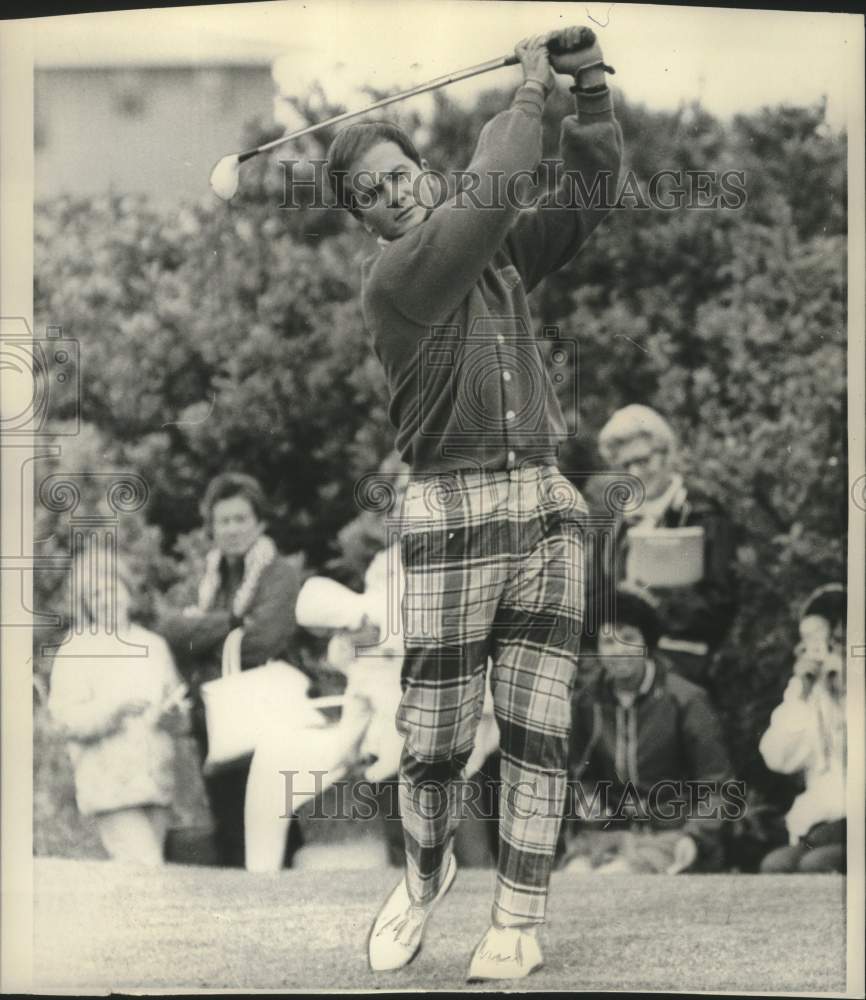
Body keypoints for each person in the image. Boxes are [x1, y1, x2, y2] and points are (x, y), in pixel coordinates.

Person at [326, 26, 622, 980]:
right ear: (364, 222)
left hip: (543, 502)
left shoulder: (491, 258)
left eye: (399, 172)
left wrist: (590, 89)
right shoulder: (399, 281)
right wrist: (530, 92)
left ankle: (519, 921)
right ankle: (422, 876)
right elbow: (498, 180)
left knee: (539, 728)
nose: (393, 192)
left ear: (420, 167)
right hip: (449, 513)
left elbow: (584, 195)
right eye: (371, 193)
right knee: (436, 741)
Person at [158, 472, 304, 867]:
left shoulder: (279, 573)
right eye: (224, 521)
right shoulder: (208, 576)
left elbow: (263, 641)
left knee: (270, 814)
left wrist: (206, 633)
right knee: (226, 813)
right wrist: (233, 619)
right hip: (216, 716)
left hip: (265, 713)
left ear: (259, 522)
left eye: (241, 518)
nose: (233, 529)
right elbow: (172, 630)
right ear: (212, 527)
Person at [562, 585, 733, 874]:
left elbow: (719, 787)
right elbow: (580, 774)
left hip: (672, 834)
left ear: (647, 643)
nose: (618, 651)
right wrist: (588, 803)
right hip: (611, 834)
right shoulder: (586, 702)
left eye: (628, 639)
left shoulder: (686, 700)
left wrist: (696, 836)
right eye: (608, 642)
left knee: (615, 876)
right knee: (575, 875)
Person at [49, 548, 189, 865]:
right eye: (94, 595)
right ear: (86, 604)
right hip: (109, 784)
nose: (105, 600)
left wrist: (174, 715)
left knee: (140, 876)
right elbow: (65, 719)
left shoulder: (154, 645)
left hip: (156, 781)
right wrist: (115, 710)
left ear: (127, 590)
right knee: (146, 865)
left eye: (111, 588)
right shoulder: (77, 649)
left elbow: (176, 703)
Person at [591, 404, 737, 686]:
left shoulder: (702, 512)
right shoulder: (615, 521)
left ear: (667, 453)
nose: (636, 472)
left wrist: (653, 604)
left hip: (683, 658)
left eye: (643, 461)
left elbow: (721, 602)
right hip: (621, 658)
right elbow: (595, 591)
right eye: (625, 465)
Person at [759, 584, 846, 874]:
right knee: (776, 865)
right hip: (825, 823)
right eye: (809, 642)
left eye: (831, 641)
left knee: (816, 863)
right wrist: (801, 695)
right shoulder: (809, 693)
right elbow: (778, 758)